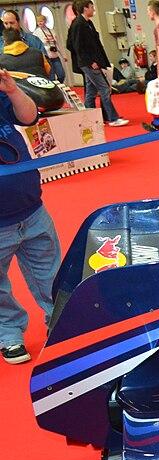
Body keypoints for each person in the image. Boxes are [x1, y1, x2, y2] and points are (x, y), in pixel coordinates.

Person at [0, 67, 59, 365]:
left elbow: (28, 117)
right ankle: (9, 333)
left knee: (50, 272)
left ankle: (59, 321)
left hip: (31, 208)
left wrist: (11, 89)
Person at [66, 0, 129, 126]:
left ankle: (90, 118)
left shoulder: (88, 23)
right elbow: (78, 47)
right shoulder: (78, 24)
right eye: (91, 6)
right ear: (85, 8)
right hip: (88, 63)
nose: (93, 9)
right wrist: (91, 62)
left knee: (91, 92)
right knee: (104, 89)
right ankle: (113, 118)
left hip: (92, 61)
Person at [31, 15, 66, 83]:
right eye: (38, 22)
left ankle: (59, 85)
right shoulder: (36, 33)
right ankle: (55, 87)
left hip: (55, 55)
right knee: (51, 77)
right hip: (46, 57)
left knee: (61, 74)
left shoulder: (52, 31)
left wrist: (63, 55)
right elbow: (36, 45)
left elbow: (58, 44)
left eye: (41, 21)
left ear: (45, 21)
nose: (40, 23)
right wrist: (44, 42)